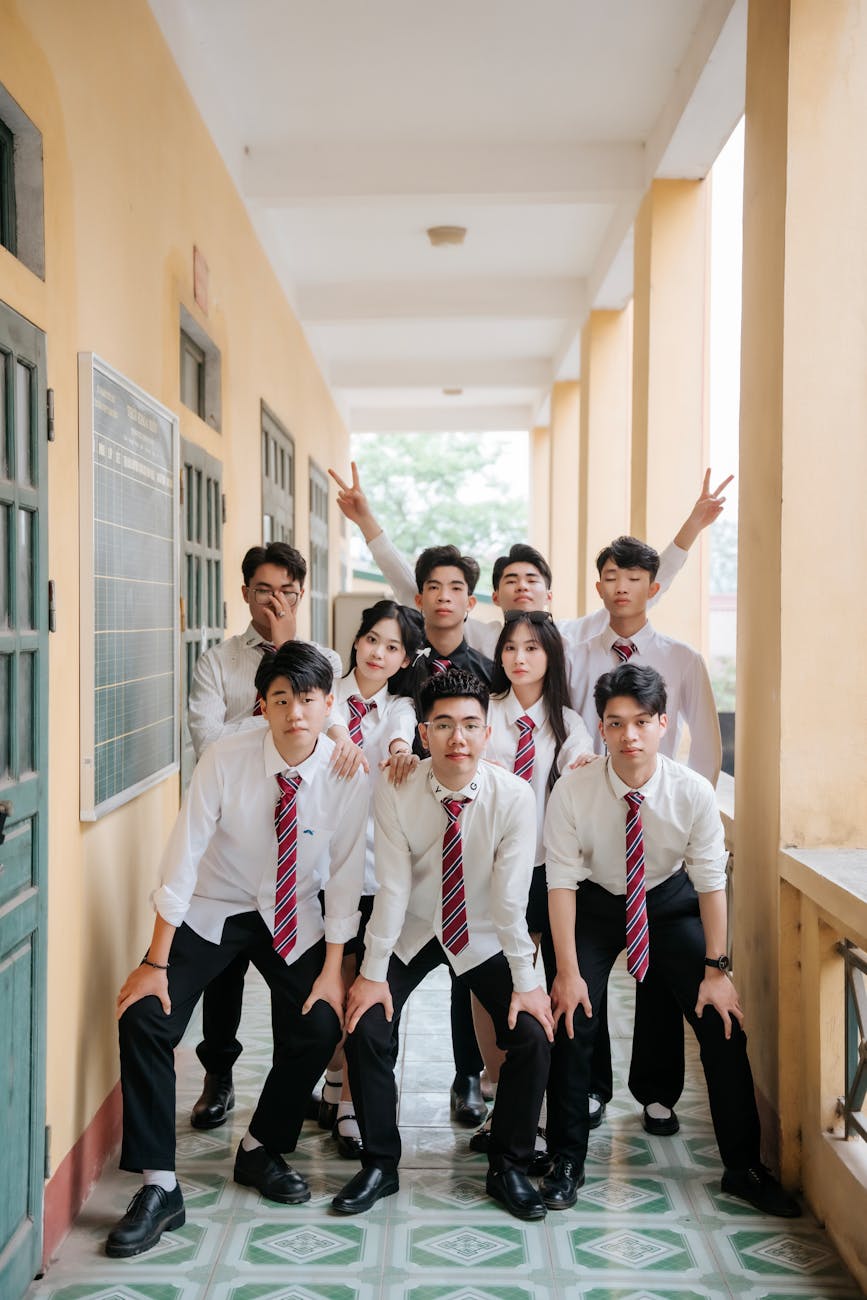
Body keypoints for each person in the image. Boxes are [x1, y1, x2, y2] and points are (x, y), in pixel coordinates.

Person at [106, 643, 369, 1258]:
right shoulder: (224, 759)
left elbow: (348, 878)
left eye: (307, 700)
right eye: (281, 700)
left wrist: (333, 970)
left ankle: (260, 1148)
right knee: (145, 1016)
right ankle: (159, 1184)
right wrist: (154, 962)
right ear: (263, 706)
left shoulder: (346, 774)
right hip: (215, 906)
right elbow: (184, 855)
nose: (295, 713)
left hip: (292, 912)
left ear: (329, 703)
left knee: (321, 1020)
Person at [540, 662, 800, 1218]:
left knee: (723, 1023)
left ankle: (744, 1166)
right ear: (601, 728)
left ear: (663, 724)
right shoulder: (574, 790)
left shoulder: (692, 793)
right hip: (595, 902)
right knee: (570, 1017)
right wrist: (565, 970)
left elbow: (710, 880)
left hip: (669, 897)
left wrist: (717, 970)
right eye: (615, 724)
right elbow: (559, 880)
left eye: (640, 721)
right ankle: (566, 1160)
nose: (628, 735)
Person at [332, 668, 555, 1221]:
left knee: (531, 1034)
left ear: (488, 732)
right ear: (424, 731)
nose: (458, 738)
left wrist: (528, 985)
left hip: (482, 931)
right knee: (366, 1023)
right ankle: (380, 1165)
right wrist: (372, 971)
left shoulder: (516, 796)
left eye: (471, 725)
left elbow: (509, 901)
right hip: (412, 925)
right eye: (445, 725)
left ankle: (508, 1165)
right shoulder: (396, 786)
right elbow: (393, 884)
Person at [185, 542, 363, 1132]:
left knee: (296, 977)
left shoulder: (325, 659)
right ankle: (219, 1076)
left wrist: (295, 687)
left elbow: (329, 728)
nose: (276, 600)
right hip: (231, 840)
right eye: (265, 590)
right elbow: (209, 743)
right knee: (223, 974)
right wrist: (275, 714)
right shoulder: (217, 662)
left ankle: (292, 1086)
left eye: (289, 591)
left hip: (292, 849)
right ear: (245, 593)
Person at [565, 534, 723, 1136]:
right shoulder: (577, 650)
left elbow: (704, 747)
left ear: (654, 587)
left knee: (659, 976)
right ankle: (594, 1089)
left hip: (662, 838)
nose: (621, 586)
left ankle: (657, 1092)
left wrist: (689, 829)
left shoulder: (681, 657)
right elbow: (568, 725)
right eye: (610, 575)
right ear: (599, 583)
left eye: (635, 577)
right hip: (598, 827)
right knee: (588, 975)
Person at [328, 462, 732, 659]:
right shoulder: (482, 638)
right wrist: (366, 521)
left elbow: (643, 594)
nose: (522, 585)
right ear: (494, 596)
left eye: (531, 578)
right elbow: (418, 591)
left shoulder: (575, 637)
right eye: (511, 580)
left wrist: (692, 528)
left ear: (549, 594)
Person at [468, 609, 593, 1158]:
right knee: (485, 981)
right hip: (482, 867)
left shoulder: (566, 722)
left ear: (551, 657)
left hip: (542, 870)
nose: (519, 658)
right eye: (511, 648)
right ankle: (500, 1100)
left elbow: (580, 762)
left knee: (532, 986)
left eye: (532, 649)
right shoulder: (483, 713)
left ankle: (534, 1112)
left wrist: (587, 761)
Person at [317, 599, 423, 1155]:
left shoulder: (400, 708)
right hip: (314, 862)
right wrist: (337, 735)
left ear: (404, 659)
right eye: (373, 640)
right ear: (357, 641)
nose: (379, 653)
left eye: (393, 647)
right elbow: (329, 718)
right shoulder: (326, 692)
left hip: (374, 869)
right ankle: (334, 1077)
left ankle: (352, 1100)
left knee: (362, 977)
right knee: (323, 980)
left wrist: (401, 750)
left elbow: (401, 734)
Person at [408, 543, 495, 1126]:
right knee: (393, 953)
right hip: (406, 831)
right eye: (433, 587)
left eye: (455, 588)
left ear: (470, 599)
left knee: (469, 961)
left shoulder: (489, 672)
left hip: (473, 830)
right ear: (419, 599)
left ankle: (469, 1076)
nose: (444, 597)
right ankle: (355, 1089)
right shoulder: (400, 667)